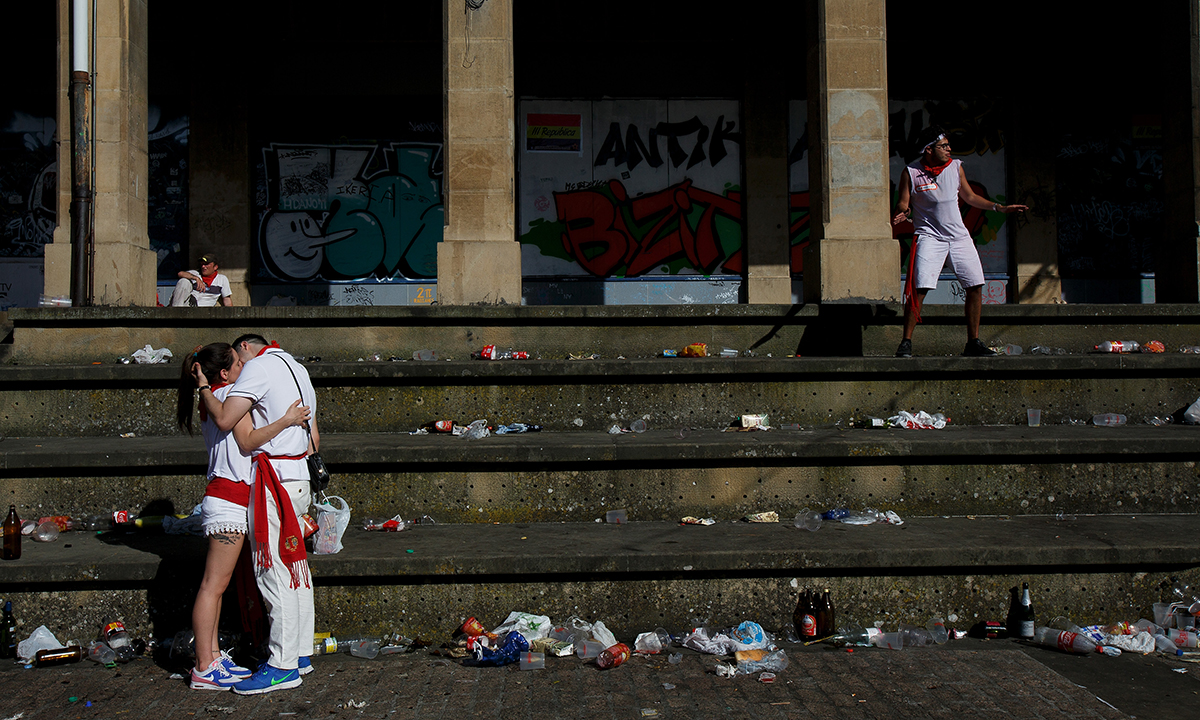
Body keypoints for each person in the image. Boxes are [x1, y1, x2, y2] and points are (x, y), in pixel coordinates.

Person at [177, 343, 310, 691]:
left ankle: (212, 657)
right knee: (213, 585)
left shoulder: (213, 397)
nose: (245, 367)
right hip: (230, 497)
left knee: (217, 586)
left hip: (228, 495)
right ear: (225, 373)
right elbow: (248, 440)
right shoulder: (227, 398)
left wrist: (203, 385)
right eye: (239, 363)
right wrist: (286, 420)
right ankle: (204, 665)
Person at [891, 127, 1027, 357]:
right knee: (919, 288)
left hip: (959, 238)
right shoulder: (911, 172)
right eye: (943, 146)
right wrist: (903, 211)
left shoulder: (955, 167)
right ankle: (906, 342)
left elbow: (970, 197)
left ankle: (973, 342)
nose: (949, 149)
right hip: (929, 237)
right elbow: (904, 201)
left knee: (974, 285)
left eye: (948, 145)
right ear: (929, 150)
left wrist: (999, 207)